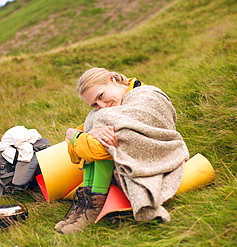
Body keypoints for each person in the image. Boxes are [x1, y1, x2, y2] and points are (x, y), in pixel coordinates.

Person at [55, 68, 189, 234]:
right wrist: (80, 133)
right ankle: (86, 205)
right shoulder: (108, 111)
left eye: (101, 96)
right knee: (97, 132)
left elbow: (96, 149)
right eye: (95, 104)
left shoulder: (147, 96)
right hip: (124, 166)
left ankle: (94, 206)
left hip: (157, 158)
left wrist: (77, 135)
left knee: (103, 142)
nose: (102, 106)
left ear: (112, 80)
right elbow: (80, 145)